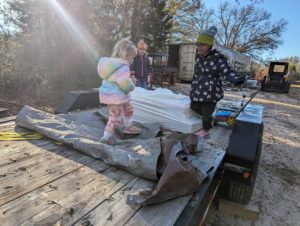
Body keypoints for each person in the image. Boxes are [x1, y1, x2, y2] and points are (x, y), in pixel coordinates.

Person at [190, 26, 245, 138]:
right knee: (194, 107)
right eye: (198, 44)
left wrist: (235, 79)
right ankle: (211, 117)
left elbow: (227, 71)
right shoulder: (198, 58)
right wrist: (193, 86)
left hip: (211, 91)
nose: (199, 47)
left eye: (202, 45)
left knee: (206, 112)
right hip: (198, 89)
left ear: (209, 45)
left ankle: (206, 130)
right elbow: (196, 74)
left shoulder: (217, 58)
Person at [98, 38, 141, 145]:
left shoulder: (113, 65)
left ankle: (128, 126)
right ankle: (106, 137)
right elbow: (125, 85)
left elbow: (118, 79)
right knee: (115, 117)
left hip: (115, 94)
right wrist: (133, 83)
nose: (133, 60)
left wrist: (128, 79)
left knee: (128, 108)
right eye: (132, 57)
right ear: (127, 56)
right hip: (116, 96)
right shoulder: (123, 67)